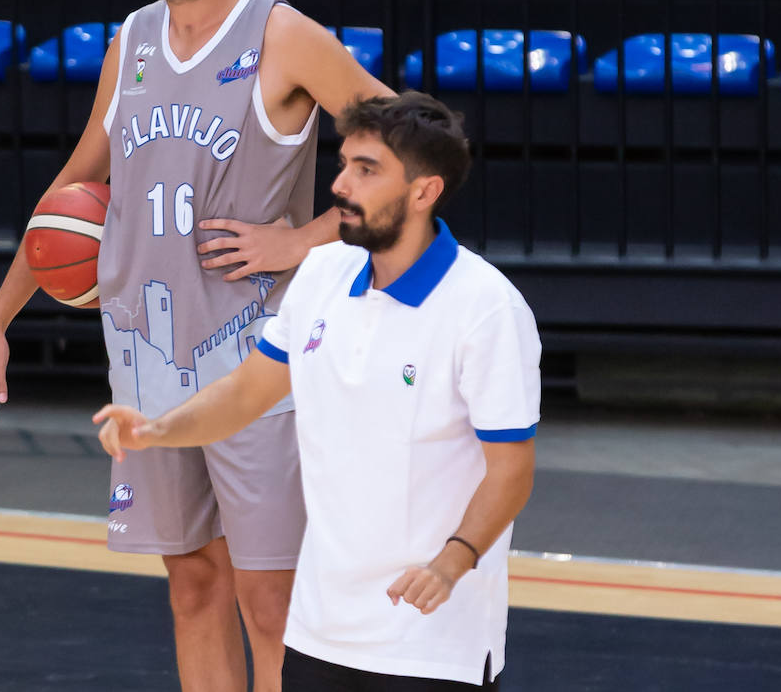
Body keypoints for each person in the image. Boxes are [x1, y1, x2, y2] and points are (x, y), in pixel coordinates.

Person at [0, 0, 393, 692]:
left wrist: (297, 241)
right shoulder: (132, 43)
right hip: (146, 364)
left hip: (256, 363)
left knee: (272, 601)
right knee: (193, 584)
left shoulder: (282, 35)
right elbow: (73, 191)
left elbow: (409, 151)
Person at [94, 91, 541, 691]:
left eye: (367, 169)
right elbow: (248, 392)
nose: (342, 185)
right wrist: (158, 429)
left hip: (431, 639)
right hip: (318, 629)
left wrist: (453, 559)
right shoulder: (323, 274)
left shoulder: (486, 307)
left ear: (423, 191)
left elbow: (510, 468)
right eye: (344, 164)